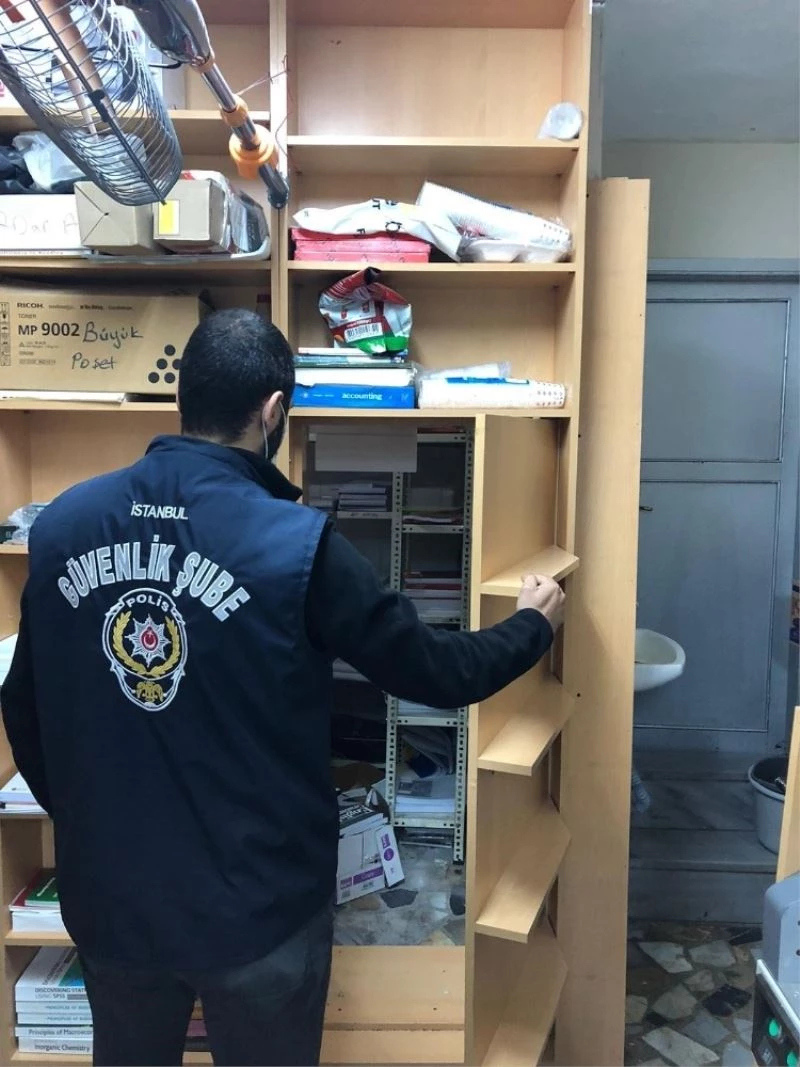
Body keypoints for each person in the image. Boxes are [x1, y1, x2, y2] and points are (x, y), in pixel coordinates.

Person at [0, 309, 565, 1067]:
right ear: (272, 411)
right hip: (258, 911)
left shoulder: (64, 524)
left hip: (114, 902)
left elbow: (23, 706)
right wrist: (532, 624)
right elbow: (438, 671)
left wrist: (87, 822)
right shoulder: (298, 543)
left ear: (182, 397)